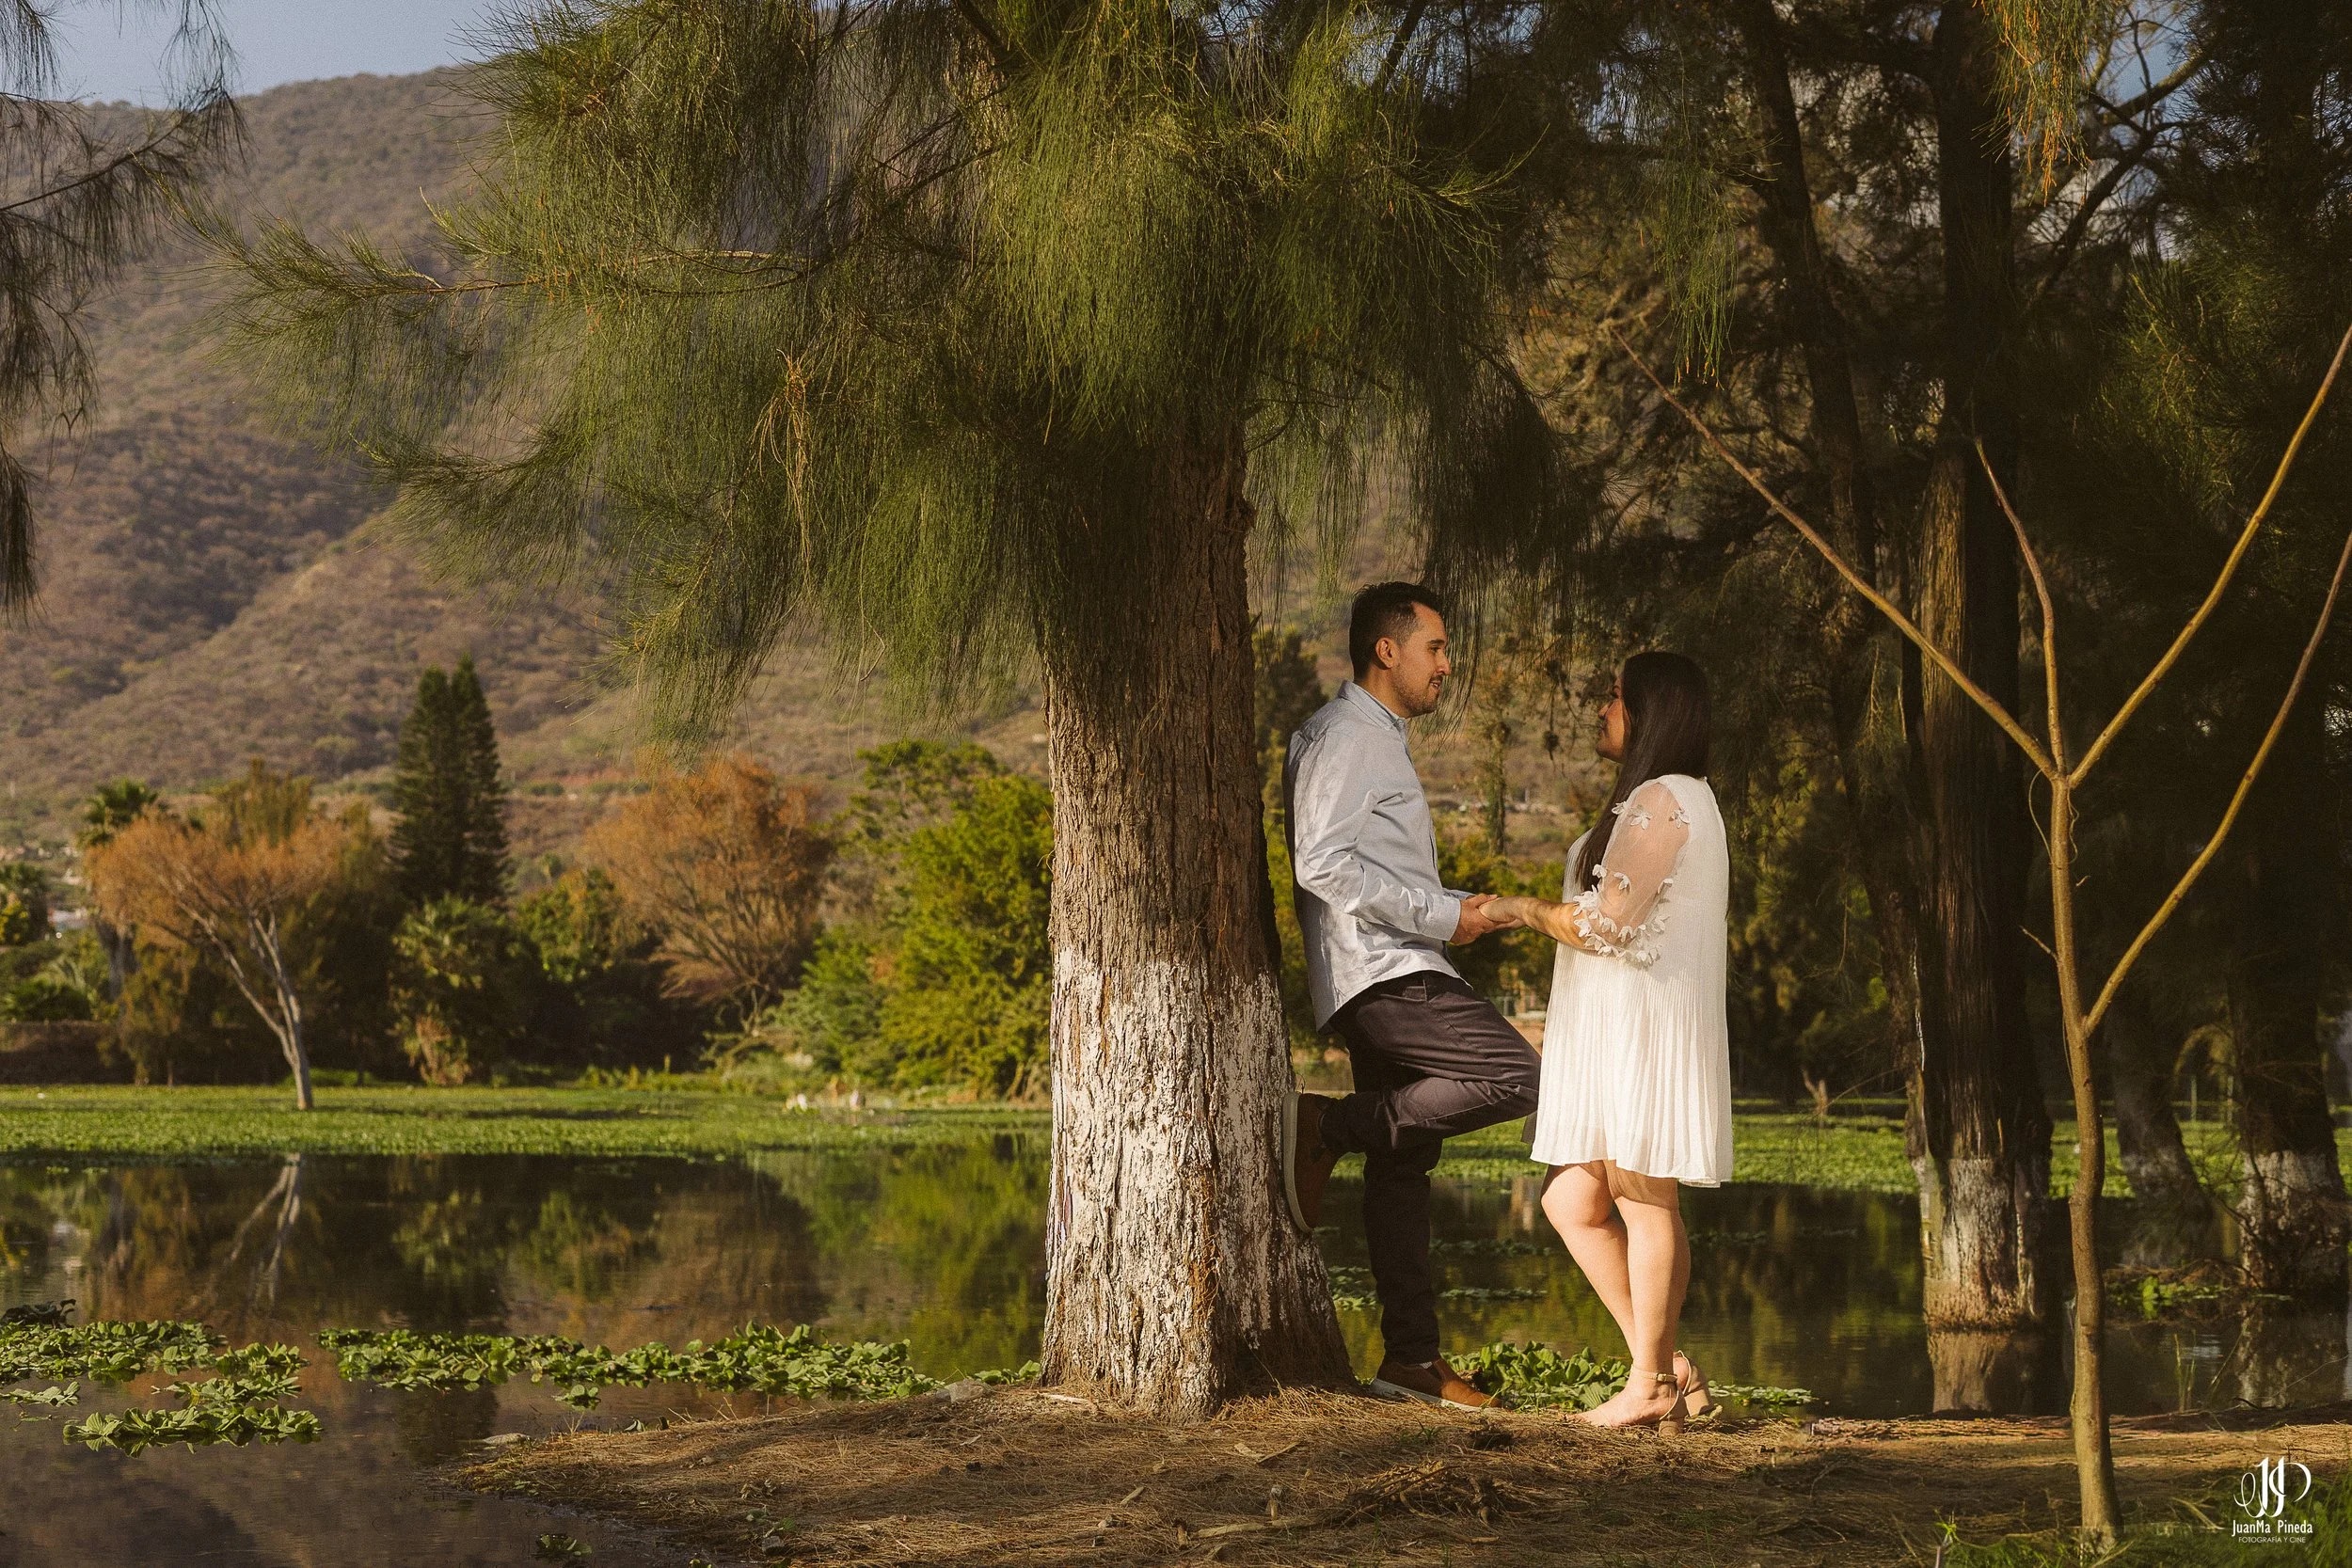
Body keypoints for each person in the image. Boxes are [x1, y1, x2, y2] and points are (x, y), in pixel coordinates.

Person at [1280, 581, 1539, 1412]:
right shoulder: (1349, 736)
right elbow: (1318, 862)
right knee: (1519, 1074)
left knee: (1402, 1171)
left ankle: (1411, 1362)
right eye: (1436, 648)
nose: (1447, 665)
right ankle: (1328, 1124)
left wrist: (1458, 909)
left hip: (1388, 962)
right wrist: (1439, 914)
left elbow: (1373, 865)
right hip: (1383, 970)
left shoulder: (1371, 739)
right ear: (1386, 650)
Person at [1486, 651, 1730, 1433]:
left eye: (1616, 698)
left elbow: (1605, 923)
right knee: (1570, 1199)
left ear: (1651, 713)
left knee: (1643, 1200)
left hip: (1644, 1032)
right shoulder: (1661, 799)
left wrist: (1518, 909)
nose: (1603, 709)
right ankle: (1664, 1367)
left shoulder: (1666, 799)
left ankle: (1649, 1381)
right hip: (1617, 1029)